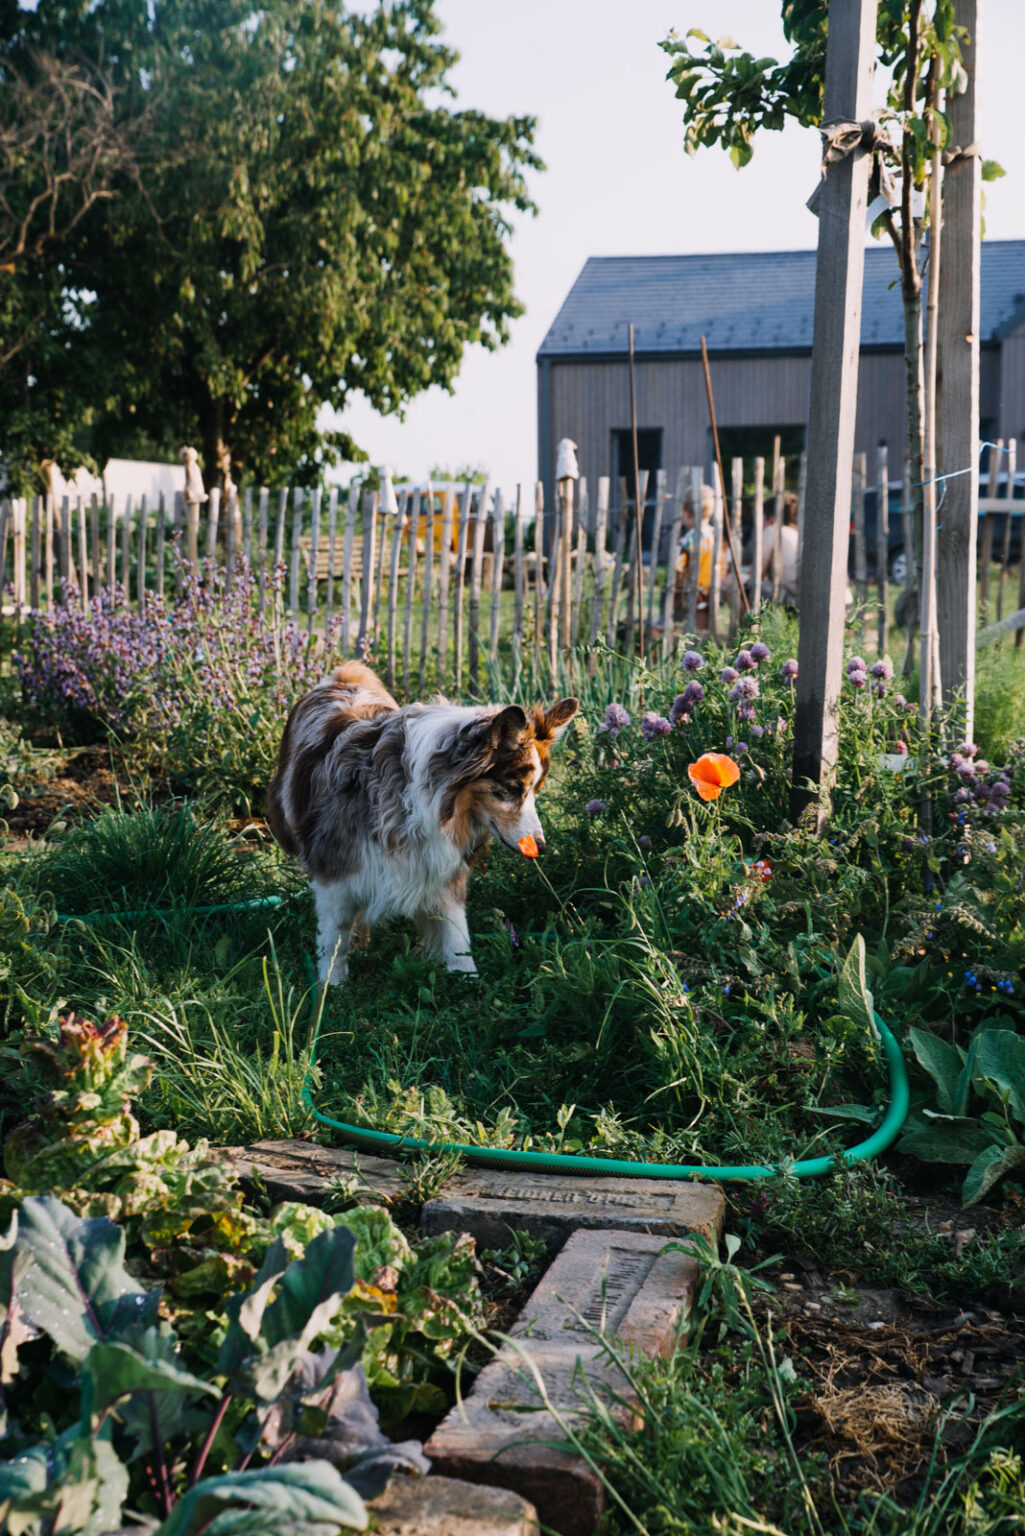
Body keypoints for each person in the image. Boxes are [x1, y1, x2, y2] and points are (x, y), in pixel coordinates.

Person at [675, 482, 725, 631]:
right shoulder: (717, 537)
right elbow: (725, 561)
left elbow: (678, 568)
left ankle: (700, 646)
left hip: (696, 591)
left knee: (697, 627)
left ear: (686, 513)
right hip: (715, 588)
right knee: (710, 625)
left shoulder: (687, 541)